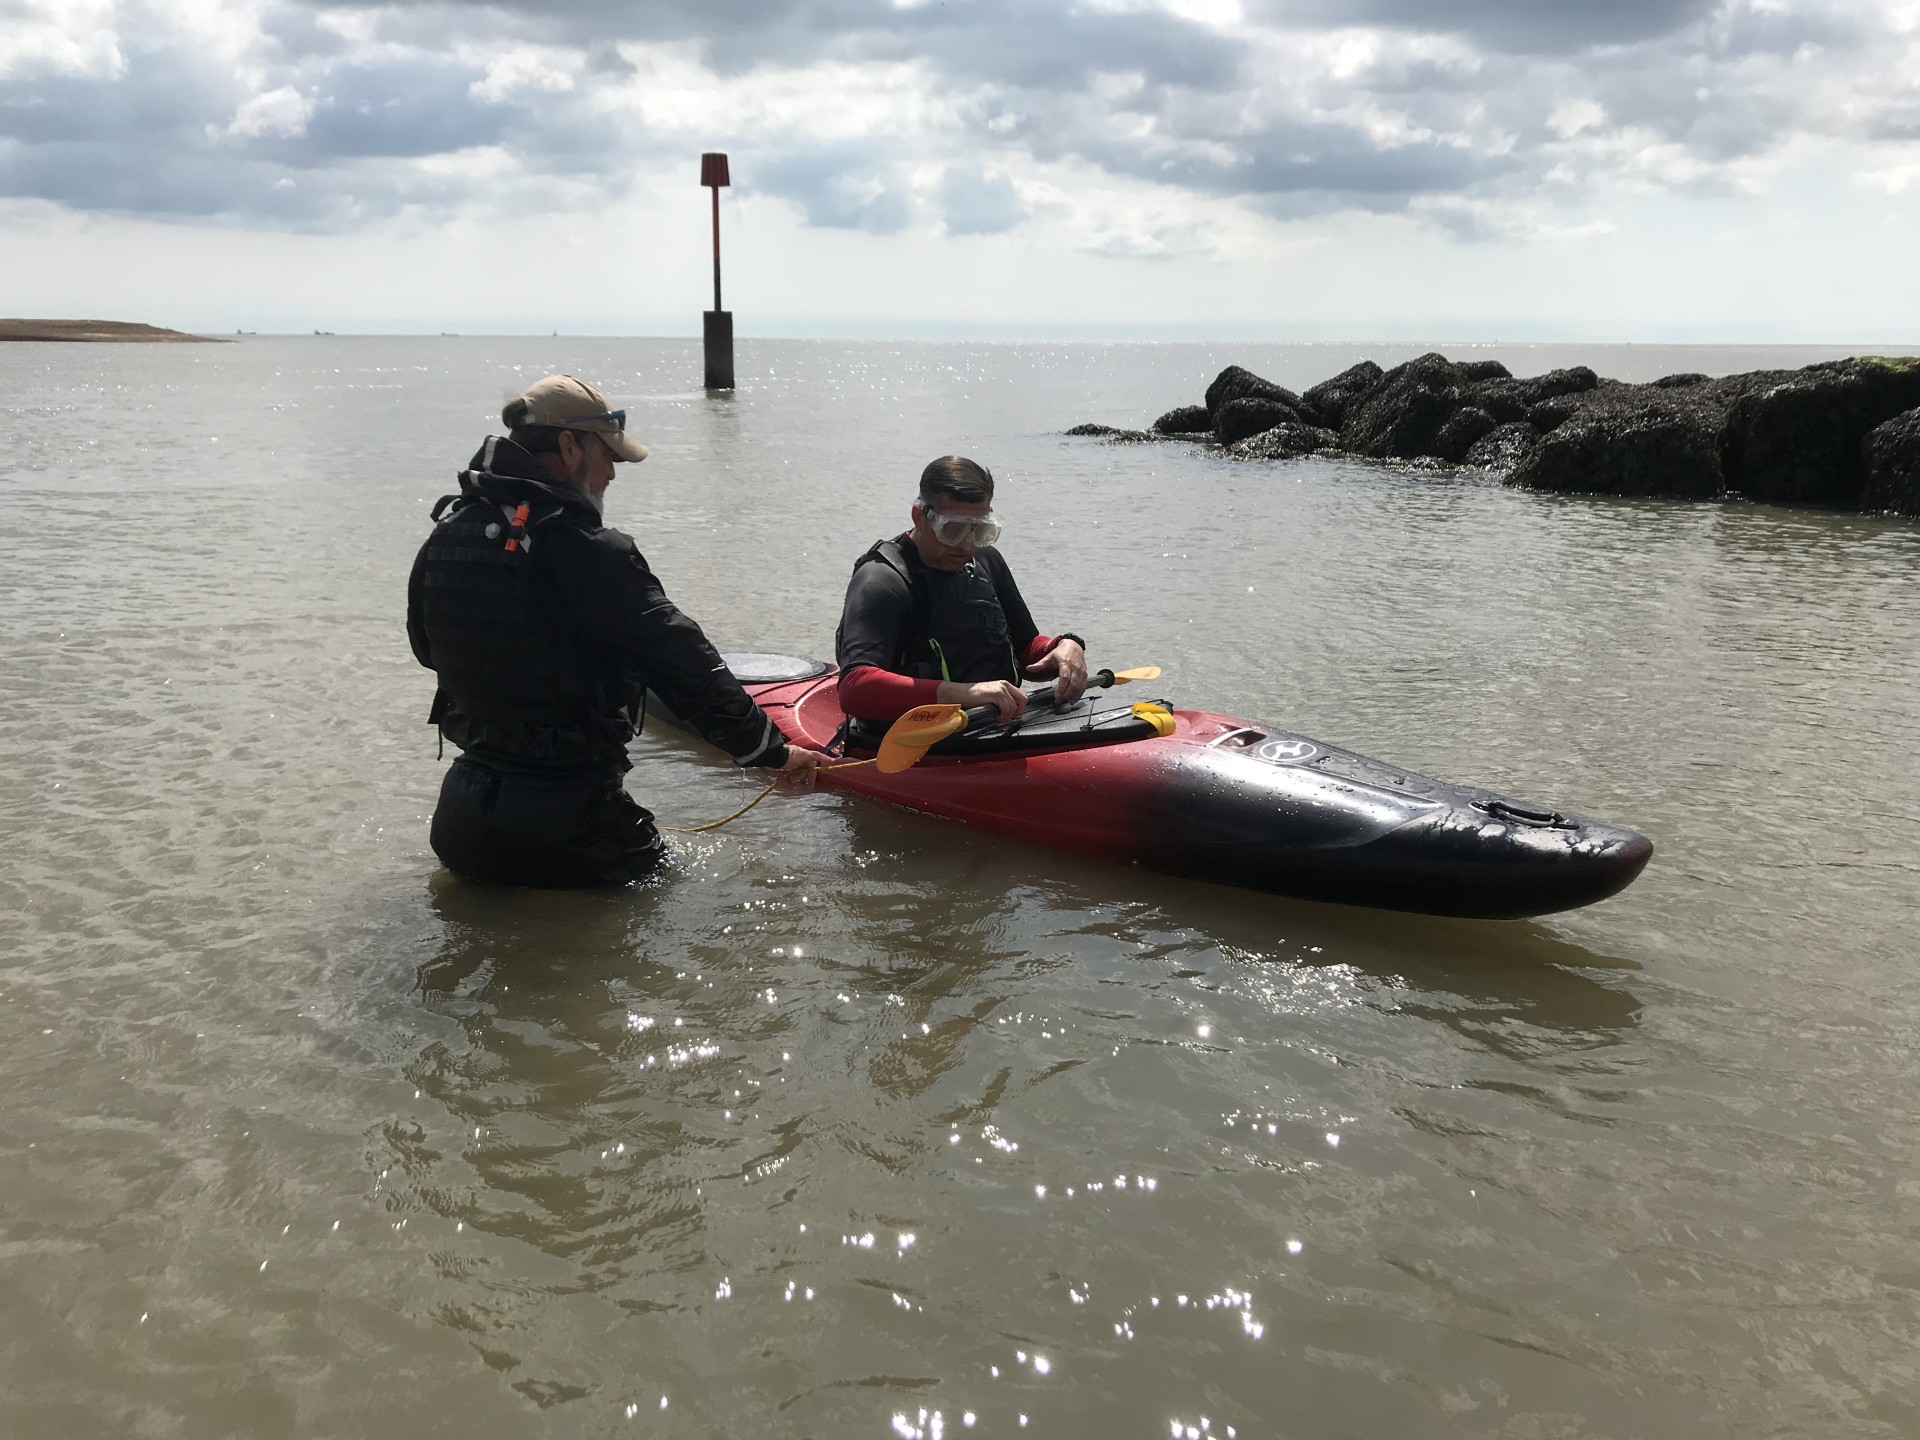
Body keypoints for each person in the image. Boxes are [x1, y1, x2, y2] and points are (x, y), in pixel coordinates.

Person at [407, 373, 824, 887]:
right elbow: (682, 661)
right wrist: (769, 751)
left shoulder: (448, 530)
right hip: (573, 828)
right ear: (568, 446)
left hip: (463, 821)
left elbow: (426, 648)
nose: (611, 475)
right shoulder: (588, 548)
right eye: (608, 456)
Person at [834, 455, 1088, 730]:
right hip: (914, 741)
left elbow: (1027, 650)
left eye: (979, 530)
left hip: (994, 727)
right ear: (919, 516)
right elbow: (855, 688)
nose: (967, 545)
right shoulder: (881, 580)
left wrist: (1063, 648)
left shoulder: (987, 561)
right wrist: (967, 694)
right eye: (952, 530)